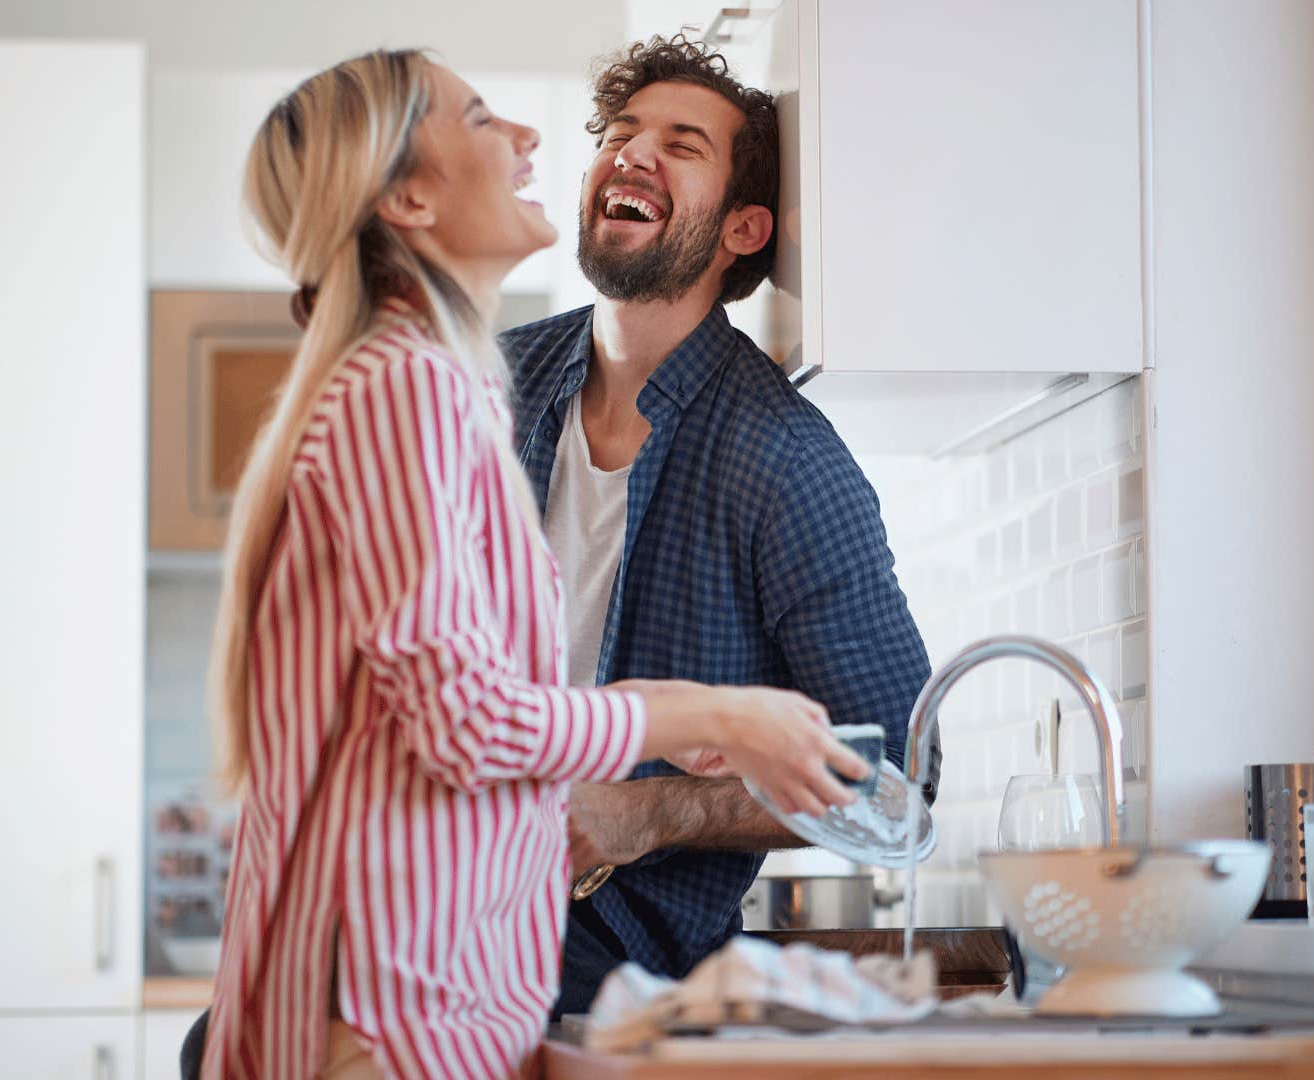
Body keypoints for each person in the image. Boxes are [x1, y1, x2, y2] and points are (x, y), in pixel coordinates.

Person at [194, 49, 869, 1080]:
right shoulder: (412, 392)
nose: (534, 139)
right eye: (479, 120)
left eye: (678, 143)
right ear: (410, 196)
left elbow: (438, 723)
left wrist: (659, 792)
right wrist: (712, 716)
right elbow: (468, 723)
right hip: (392, 1013)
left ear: (744, 230)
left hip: (426, 1004)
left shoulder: (431, 383)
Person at [498, 35, 938, 1019]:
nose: (632, 152)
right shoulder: (487, 387)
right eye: (620, 132)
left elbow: (897, 781)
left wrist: (647, 812)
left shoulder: (783, 459)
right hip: (430, 894)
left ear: (745, 228)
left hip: (607, 956)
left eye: (680, 142)